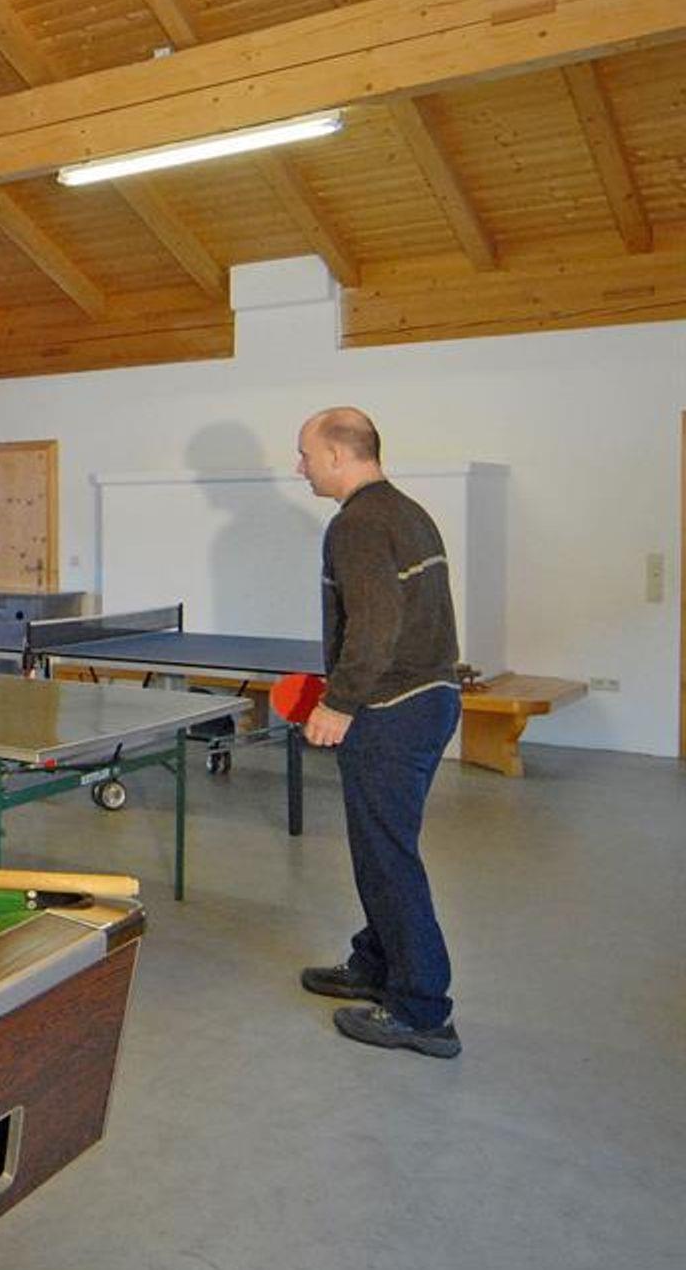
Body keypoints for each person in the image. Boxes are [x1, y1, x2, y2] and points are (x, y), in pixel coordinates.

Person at [294, 407, 464, 1058]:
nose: (300, 467)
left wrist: (339, 703)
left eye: (306, 454)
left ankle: (422, 1010)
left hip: (391, 710)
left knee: (387, 857)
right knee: (384, 848)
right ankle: (375, 964)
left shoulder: (358, 524)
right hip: (429, 701)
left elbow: (374, 624)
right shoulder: (407, 512)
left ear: (338, 455)